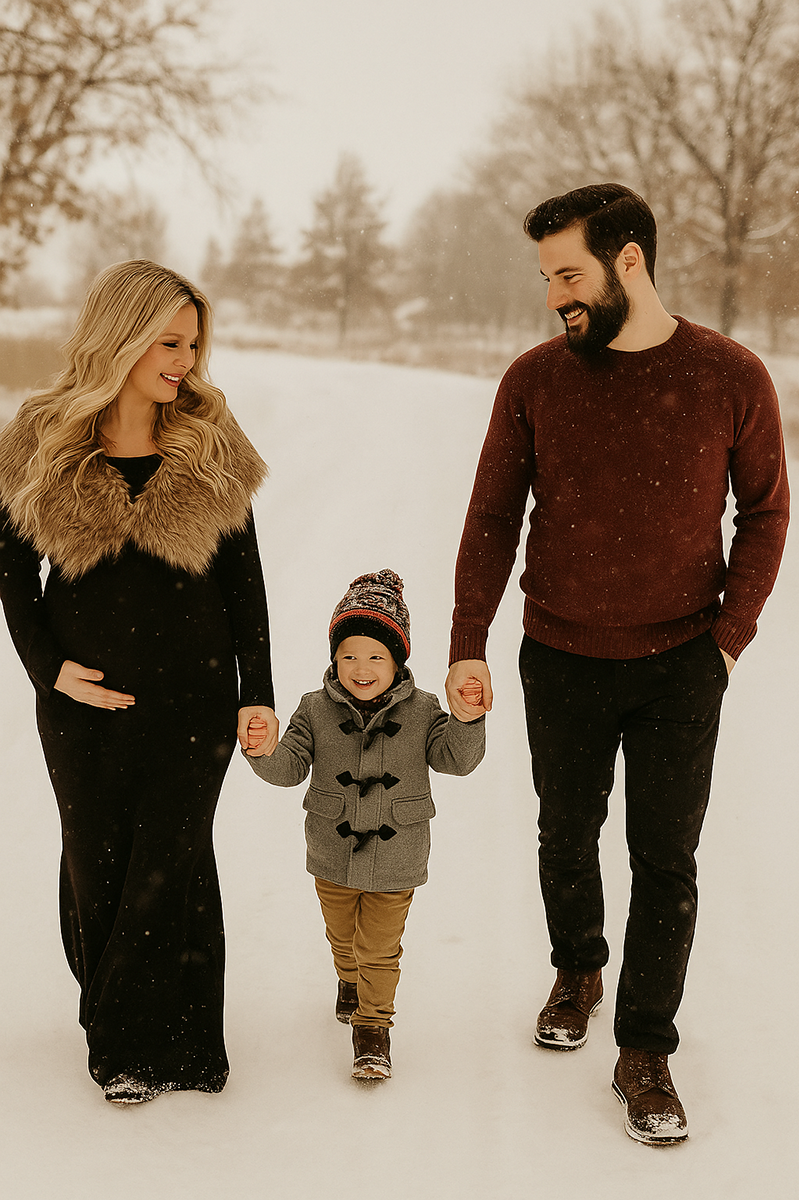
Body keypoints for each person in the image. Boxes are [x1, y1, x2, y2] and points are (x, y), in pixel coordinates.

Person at [445, 184, 789, 1144]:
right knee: (565, 832)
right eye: (547, 276)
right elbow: (491, 516)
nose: (556, 295)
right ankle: (578, 966)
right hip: (558, 652)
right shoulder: (535, 379)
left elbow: (764, 511)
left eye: (569, 274)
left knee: (666, 860)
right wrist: (468, 639)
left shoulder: (730, 376)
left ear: (627, 260)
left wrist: (728, 638)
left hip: (683, 659)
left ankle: (645, 1050)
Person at [0, 259, 279, 1106]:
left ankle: (165, 1045)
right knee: (99, 861)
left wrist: (255, 690)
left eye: (193, 344)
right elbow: (12, 573)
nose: (186, 362)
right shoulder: (41, 440)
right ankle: (113, 1007)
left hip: (195, 700)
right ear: (118, 337)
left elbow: (245, 583)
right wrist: (50, 673)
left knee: (174, 860)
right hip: (81, 707)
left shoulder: (210, 444)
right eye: (168, 342)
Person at [244, 569, 484, 1081]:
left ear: (398, 660)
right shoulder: (313, 709)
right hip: (331, 850)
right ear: (334, 656)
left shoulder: (422, 711)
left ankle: (373, 1027)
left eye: (376, 655)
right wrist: (264, 750)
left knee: (378, 946)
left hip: (397, 858)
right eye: (349, 654)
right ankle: (346, 980)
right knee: (341, 936)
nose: (361, 667)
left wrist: (466, 719)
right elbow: (289, 767)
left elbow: (456, 760)